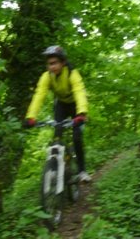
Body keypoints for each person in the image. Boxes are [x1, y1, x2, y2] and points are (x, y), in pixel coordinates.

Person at [24, 45, 91, 182]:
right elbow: (39, 95)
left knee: (77, 137)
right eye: (49, 64)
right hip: (61, 105)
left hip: (75, 106)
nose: (51, 67)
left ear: (63, 62)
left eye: (54, 63)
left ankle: (82, 171)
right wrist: (31, 117)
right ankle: (54, 169)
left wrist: (82, 113)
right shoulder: (46, 77)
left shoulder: (72, 73)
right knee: (57, 136)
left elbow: (79, 92)